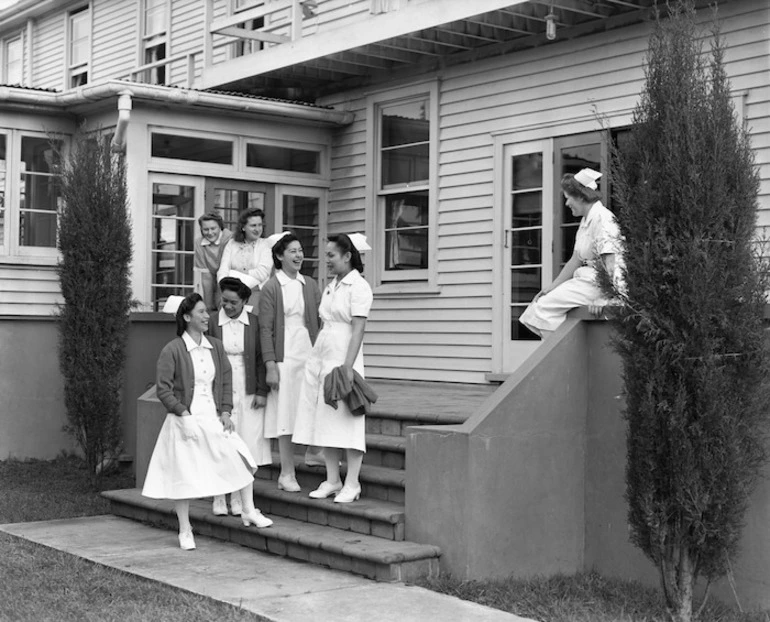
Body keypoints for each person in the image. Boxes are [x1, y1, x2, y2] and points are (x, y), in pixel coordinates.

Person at [142, 293, 273, 551]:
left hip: (213, 416)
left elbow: (225, 382)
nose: (207, 316)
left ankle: (248, 510)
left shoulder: (215, 345)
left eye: (206, 312)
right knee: (184, 475)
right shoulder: (173, 349)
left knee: (241, 456)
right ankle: (185, 528)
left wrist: (225, 412)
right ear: (187, 317)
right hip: (185, 420)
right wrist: (182, 413)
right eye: (201, 312)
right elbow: (163, 389)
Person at [292, 233, 373, 504]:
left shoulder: (358, 287)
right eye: (326, 255)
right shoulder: (332, 286)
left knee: (348, 421)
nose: (327, 260)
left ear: (347, 256)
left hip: (343, 356)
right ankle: (332, 479)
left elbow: (358, 328)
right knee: (326, 420)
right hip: (323, 356)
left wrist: (347, 368)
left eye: (331, 255)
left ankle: (352, 483)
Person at [519, 168, 623, 338]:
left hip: (599, 283)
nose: (566, 204)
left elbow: (611, 262)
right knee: (539, 304)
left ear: (581, 197)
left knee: (543, 309)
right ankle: (564, 345)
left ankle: (566, 347)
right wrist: (552, 287)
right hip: (586, 279)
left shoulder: (602, 219)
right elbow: (575, 259)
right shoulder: (585, 222)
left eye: (568, 198)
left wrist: (607, 297)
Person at [259, 232, 322, 492]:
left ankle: (313, 451)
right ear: (279, 256)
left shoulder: (310, 284)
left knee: (311, 404)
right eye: (293, 251)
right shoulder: (271, 287)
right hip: (284, 355)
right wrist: (271, 365)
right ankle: (286, 472)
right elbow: (265, 329)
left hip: (308, 352)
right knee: (285, 412)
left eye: (300, 250)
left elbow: (320, 320)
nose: (299, 255)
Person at [207, 274, 272, 516]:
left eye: (233, 302)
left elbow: (261, 357)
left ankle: (238, 496)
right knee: (221, 441)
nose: (227, 306)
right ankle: (218, 495)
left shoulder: (254, 322)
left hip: (248, 388)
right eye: (224, 301)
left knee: (245, 444)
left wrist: (262, 390)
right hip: (221, 388)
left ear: (245, 300)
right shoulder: (212, 322)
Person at [217, 208, 274, 308]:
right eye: (253, 225)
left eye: (260, 225)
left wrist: (235, 274)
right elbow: (223, 269)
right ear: (243, 227)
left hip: (255, 294)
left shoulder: (265, 245)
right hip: (230, 291)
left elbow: (262, 273)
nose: (257, 229)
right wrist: (225, 285)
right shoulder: (232, 244)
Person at [193, 212, 233, 311]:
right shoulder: (199, 243)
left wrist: (219, 301)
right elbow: (206, 278)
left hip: (230, 278)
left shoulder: (230, 239)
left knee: (222, 305)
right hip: (213, 276)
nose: (210, 233)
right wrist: (208, 306)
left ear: (220, 227)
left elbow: (228, 271)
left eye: (213, 228)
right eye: (206, 229)